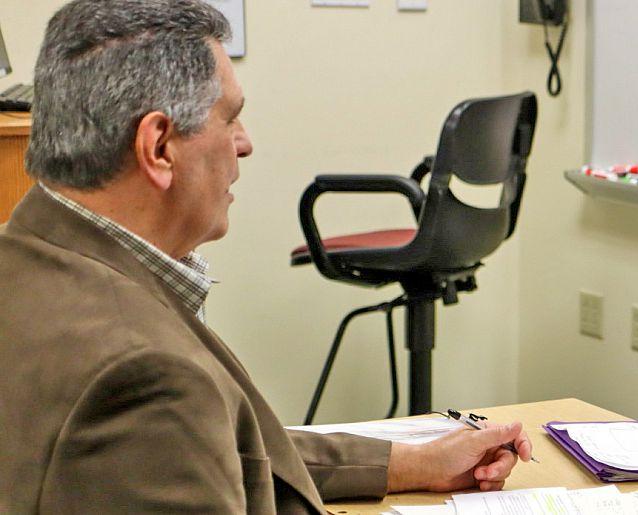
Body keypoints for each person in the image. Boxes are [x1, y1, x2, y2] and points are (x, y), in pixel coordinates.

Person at [0, 1, 531, 512]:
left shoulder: (26, 262)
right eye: (229, 119)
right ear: (159, 147)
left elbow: (223, 450)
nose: (245, 143)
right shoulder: (149, 375)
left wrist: (416, 463)